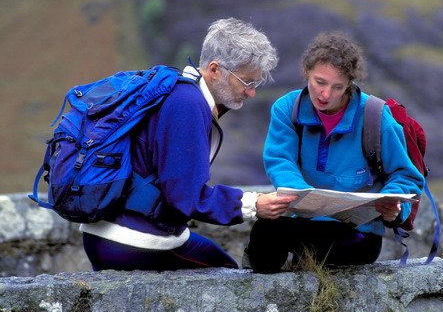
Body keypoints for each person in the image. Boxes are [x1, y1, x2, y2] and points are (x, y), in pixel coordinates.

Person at [80, 17, 297, 271]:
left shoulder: (177, 90)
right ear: (215, 70)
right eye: (247, 82)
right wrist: (252, 205)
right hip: (133, 240)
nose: (252, 92)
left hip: (104, 234)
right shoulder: (188, 105)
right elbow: (186, 196)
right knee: (226, 274)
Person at [244, 31, 425, 272]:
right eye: (320, 82)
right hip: (305, 223)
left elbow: (406, 176)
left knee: (326, 253)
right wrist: (300, 195)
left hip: (358, 234)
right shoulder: (287, 109)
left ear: (349, 84)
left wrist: (392, 207)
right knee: (264, 235)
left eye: (337, 86)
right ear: (307, 71)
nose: (326, 94)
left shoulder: (376, 116)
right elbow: (280, 160)